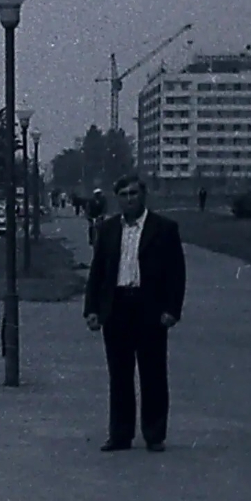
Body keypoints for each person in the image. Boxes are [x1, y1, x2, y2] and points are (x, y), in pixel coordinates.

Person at [84, 174, 187, 453]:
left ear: (143, 196)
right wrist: (92, 309)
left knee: (153, 372)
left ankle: (154, 434)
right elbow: (98, 273)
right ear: (117, 198)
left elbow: (176, 274)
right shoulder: (107, 230)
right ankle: (120, 434)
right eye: (124, 194)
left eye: (134, 193)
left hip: (149, 308)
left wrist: (172, 310)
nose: (129, 199)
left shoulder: (164, 229)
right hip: (116, 307)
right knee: (119, 374)